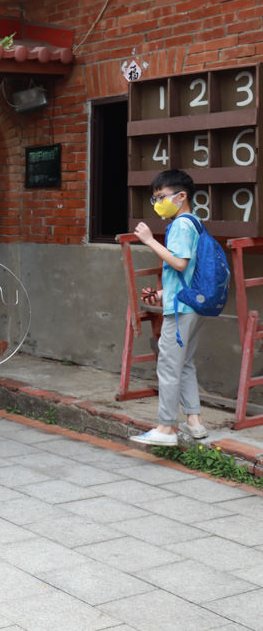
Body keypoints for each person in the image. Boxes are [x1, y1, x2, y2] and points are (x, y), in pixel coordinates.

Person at [130, 169, 208, 446]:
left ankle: (165, 428)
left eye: (161, 197)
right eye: (155, 199)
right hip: (191, 303)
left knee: (168, 365)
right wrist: (162, 294)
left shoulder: (181, 225)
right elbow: (187, 273)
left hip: (182, 309)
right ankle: (194, 422)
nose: (157, 203)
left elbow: (179, 263)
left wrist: (150, 240)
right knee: (184, 363)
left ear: (181, 196)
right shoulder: (195, 223)